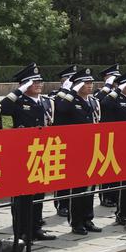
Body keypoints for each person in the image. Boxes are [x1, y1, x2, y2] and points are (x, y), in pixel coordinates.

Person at [0, 63, 57, 243]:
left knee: (39, 192)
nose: (38, 84)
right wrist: (20, 90)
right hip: (23, 153)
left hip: (42, 151)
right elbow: (2, 108)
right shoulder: (18, 101)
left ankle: (36, 227)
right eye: (33, 82)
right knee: (22, 195)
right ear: (24, 85)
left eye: (40, 81)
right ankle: (22, 231)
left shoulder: (47, 101)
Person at [53, 67, 103, 235]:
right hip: (75, 150)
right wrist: (72, 91)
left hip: (92, 148)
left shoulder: (93, 101)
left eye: (90, 82)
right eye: (85, 83)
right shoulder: (70, 100)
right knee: (77, 189)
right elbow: (60, 109)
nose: (89, 85)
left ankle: (88, 218)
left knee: (90, 187)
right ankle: (76, 222)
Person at [100, 70, 126, 224]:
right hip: (120, 145)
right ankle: (121, 213)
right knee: (123, 182)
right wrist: (116, 90)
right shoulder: (113, 99)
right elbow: (104, 109)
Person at [51, 65, 78, 218]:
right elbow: (60, 108)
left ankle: (73, 204)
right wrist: (66, 90)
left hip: (75, 140)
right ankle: (62, 204)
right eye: (69, 78)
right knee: (62, 176)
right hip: (61, 140)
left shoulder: (76, 95)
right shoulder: (56, 94)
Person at [95, 64, 122, 208]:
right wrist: (107, 86)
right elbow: (99, 102)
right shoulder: (101, 92)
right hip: (105, 135)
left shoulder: (119, 93)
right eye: (113, 77)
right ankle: (105, 196)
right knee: (106, 167)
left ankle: (116, 195)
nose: (115, 80)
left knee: (117, 167)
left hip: (118, 134)